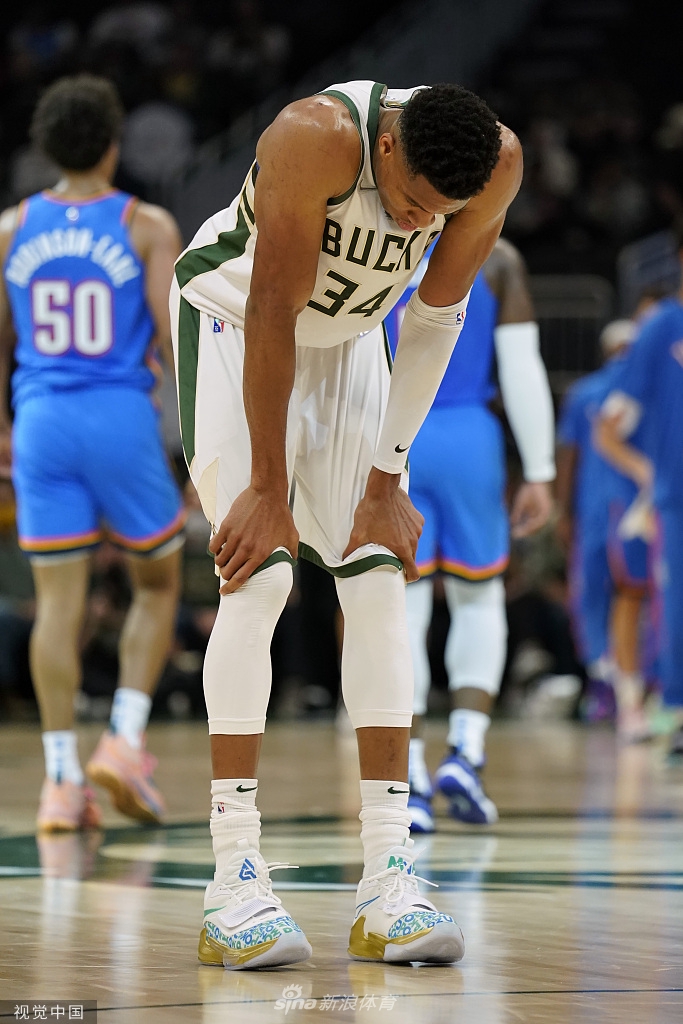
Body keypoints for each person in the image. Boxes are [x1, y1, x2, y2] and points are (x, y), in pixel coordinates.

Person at [171, 80, 521, 969]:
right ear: (389, 147)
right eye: (406, 206)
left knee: (375, 577)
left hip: (353, 343)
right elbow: (272, 310)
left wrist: (386, 478)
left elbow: (435, 317)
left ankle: (387, 878)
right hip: (236, 324)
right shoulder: (315, 136)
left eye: (431, 220)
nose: (412, 229)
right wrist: (264, 485)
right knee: (262, 572)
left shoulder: (495, 165)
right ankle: (234, 880)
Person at [0, 75, 186, 833]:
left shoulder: (10, 227)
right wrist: (210, 437)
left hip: (39, 419)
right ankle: (124, 740)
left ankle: (58, 783)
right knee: (159, 580)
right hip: (117, 416)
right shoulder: (145, 224)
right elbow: (175, 341)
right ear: (114, 145)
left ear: (45, 149)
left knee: (57, 605)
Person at [383, 238, 555, 833]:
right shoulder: (499, 256)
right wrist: (540, 470)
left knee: (399, 611)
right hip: (469, 439)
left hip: (391, 436)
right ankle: (466, 752)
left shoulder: (376, 235)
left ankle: (407, 777)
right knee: (479, 599)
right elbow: (521, 366)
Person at [593, 252, 683, 760]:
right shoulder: (658, 337)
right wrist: (647, 474)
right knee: (635, 595)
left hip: (647, 497)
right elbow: (605, 433)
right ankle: (637, 699)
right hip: (648, 502)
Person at [556, 317, 655, 743]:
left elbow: (568, 457)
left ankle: (607, 684)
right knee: (634, 595)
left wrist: (562, 509)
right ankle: (631, 687)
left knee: (598, 596)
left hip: (601, 508)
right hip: (636, 506)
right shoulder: (645, 389)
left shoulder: (587, 392)